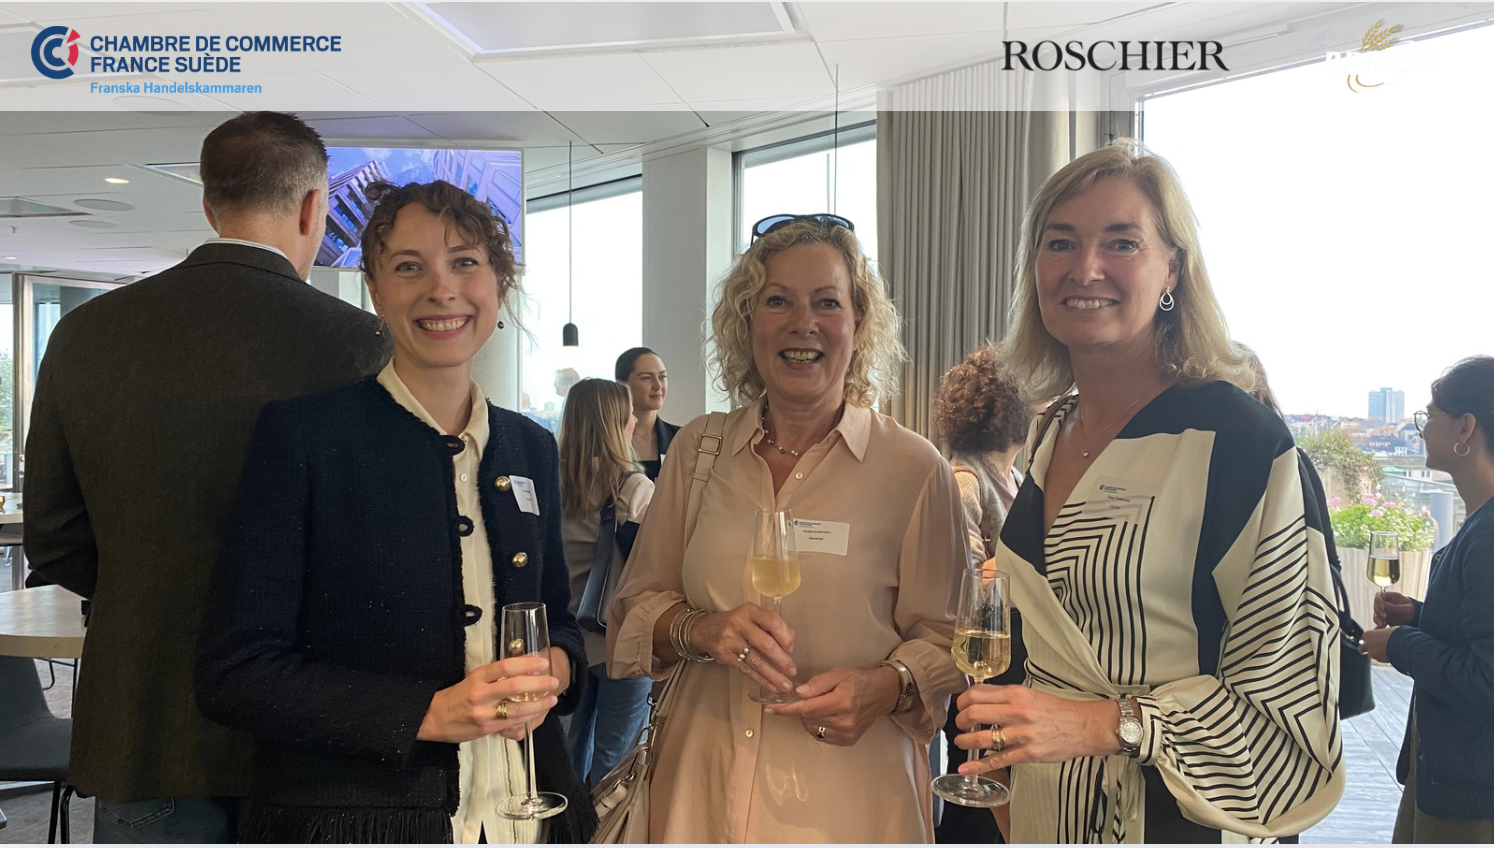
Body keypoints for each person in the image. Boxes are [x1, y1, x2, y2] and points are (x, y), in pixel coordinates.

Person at [951, 141, 1345, 842]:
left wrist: (1106, 724)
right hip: (1047, 815)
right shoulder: (1050, 434)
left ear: (1173, 269)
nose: (1085, 268)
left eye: (1122, 242)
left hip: (1181, 823)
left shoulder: (1238, 441)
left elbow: (1292, 704)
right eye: (1060, 242)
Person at [23, 111, 389, 843]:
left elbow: (55, 539)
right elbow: (378, 541)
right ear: (313, 207)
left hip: (144, 724)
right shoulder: (358, 343)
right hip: (304, 725)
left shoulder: (85, 333)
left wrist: (146, 589)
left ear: (208, 205)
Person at [194, 180, 594, 844]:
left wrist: (558, 668)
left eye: (465, 262)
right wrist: (425, 714)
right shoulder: (306, 438)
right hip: (360, 819)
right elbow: (236, 673)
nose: (442, 289)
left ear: (499, 285)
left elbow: (560, 622)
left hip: (527, 811)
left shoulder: (531, 446)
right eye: (409, 267)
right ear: (376, 292)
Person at [607, 213, 968, 842]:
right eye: (778, 301)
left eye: (827, 302)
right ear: (748, 323)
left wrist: (889, 685)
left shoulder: (914, 469)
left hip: (849, 801)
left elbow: (953, 639)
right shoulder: (699, 450)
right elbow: (633, 611)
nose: (804, 323)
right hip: (700, 789)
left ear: (859, 324)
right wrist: (702, 629)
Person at [1360, 355, 1494, 842]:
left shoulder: (1487, 536)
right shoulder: (1479, 524)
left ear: (1465, 428)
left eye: (1430, 415)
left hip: (1470, 797)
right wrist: (1420, 617)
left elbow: (1486, 678)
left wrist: (1400, 645)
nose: (1421, 428)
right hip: (1453, 775)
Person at [928, 343, 1032, 843]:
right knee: (978, 800)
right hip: (979, 668)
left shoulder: (1016, 478)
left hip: (1013, 667)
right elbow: (964, 582)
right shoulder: (965, 479)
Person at [557, 378, 655, 785]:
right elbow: (657, 565)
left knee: (567, 754)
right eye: (628, 414)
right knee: (615, 763)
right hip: (621, 640)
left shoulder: (551, 483)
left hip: (565, 641)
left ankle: (568, 821)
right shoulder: (633, 488)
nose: (635, 420)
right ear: (616, 424)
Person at [932, 344, 1032, 566]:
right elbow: (966, 576)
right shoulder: (964, 483)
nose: (1051, 406)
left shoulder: (1017, 478)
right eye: (1039, 395)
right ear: (1009, 408)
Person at [615, 346, 679, 481]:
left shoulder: (680, 437)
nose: (658, 385)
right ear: (621, 385)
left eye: (662, 377)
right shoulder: (604, 441)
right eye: (646, 378)